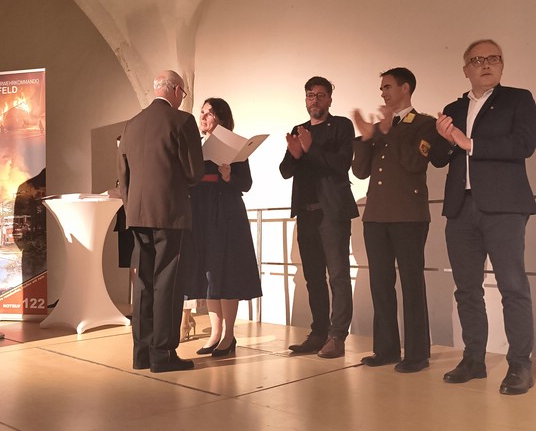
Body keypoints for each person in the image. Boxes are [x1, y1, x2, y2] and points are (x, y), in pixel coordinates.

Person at [435, 39, 536, 395]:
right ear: (466, 69)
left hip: (504, 206)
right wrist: (447, 139)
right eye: (478, 60)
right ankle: (473, 359)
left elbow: (524, 145)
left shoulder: (518, 99)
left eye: (494, 58)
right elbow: (438, 157)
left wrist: (471, 144)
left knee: (512, 287)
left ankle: (520, 365)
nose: (487, 64)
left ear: (502, 65)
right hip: (460, 208)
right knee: (466, 289)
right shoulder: (453, 108)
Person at [351, 68, 450, 373]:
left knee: (411, 283)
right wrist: (367, 137)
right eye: (381, 88)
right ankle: (386, 349)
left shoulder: (424, 124)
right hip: (376, 216)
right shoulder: (380, 127)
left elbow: (414, 162)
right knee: (380, 285)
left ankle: (417, 354)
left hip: (408, 216)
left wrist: (388, 131)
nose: (383, 93)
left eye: (388, 87)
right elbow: (360, 171)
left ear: (405, 88)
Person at [118, 70, 204, 373]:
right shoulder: (182, 121)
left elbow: (123, 175)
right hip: (170, 214)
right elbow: (193, 172)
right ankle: (163, 354)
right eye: (183, 93)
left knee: (143, 284)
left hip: (137, 215)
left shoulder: (132, 124)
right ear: (177, 90)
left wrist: (131, 210)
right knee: (168, 283)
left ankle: (141, 354)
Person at [279, 76, 359, 358]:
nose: (315, 100)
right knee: (313, 277)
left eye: (321, 95)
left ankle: (337, 336)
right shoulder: (299, 129)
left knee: (338, 276)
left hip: (332, 212)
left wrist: (311, 148)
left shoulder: (341, 126)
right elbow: (285, 171)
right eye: (311, 95)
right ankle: (318, 334)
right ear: (305, 99)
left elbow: (341, 164)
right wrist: (295, 154)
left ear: (330, 99)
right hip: (306, 212)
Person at [184, 98, 262, 357]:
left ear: (221, 117)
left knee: (227, 273)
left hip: (226, 213)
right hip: (201, 211)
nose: (203, 117)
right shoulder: (197, 145)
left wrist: (228, 177)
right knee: (209, 274)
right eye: (202, 112)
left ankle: (229, 335)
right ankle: (214, 334)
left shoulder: (233, 146)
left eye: (209, 113)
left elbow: (246, 183)